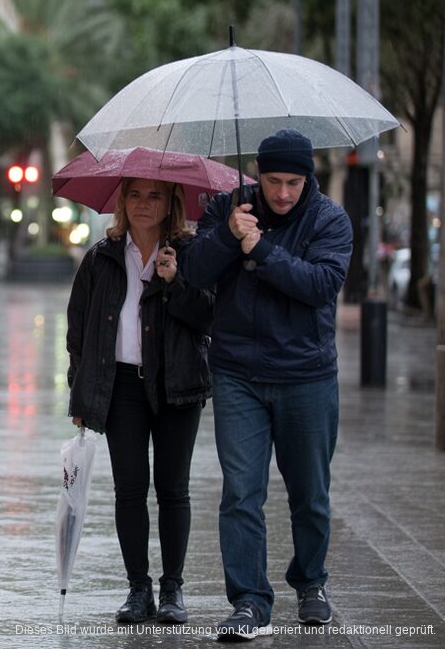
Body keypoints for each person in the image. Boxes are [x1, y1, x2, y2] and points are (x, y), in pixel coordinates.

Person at [184, 129, 352, 641]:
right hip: (238, 374)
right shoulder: (226, 208)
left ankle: (311, 583)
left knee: (310, 493)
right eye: (274, 181)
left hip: (307, 376)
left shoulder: (329, 219)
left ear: (309, 178)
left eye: (293, 182)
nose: (282, 193)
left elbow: (322, 286)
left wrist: (262, 249)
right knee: (240, 494)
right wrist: (228, 236)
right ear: (258, 174)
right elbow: (193, 273)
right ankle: (249, 602)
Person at [66, 178, 213, 625]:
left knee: (173, 489)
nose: (143, 204)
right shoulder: (100, 257)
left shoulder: (192, 253)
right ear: (122, 202)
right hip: (121, 386)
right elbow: (79, 332)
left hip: (177, 383)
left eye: (154, 195)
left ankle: (172, 588)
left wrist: (174, 283)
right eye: (134, 195)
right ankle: (138, 589)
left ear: (172, 202)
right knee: (129, 489)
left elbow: (210, 315)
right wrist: (82, 391)